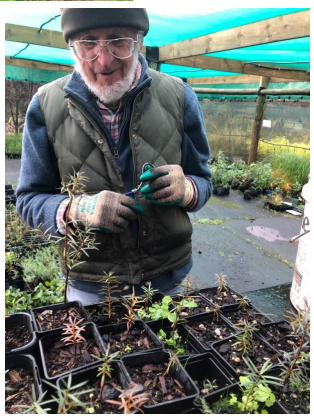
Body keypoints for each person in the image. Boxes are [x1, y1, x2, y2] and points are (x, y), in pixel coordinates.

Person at [16, 8, 212, 304]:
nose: (103, 60)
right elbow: (29, 199)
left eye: (118, 40)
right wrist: (77, 209)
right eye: (88, 43)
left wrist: (187, 188)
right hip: (91, 286)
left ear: (138, 41)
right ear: (72, 47)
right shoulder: (45, 105)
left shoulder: (180, 96)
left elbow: (203, 180)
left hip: (168, 278)